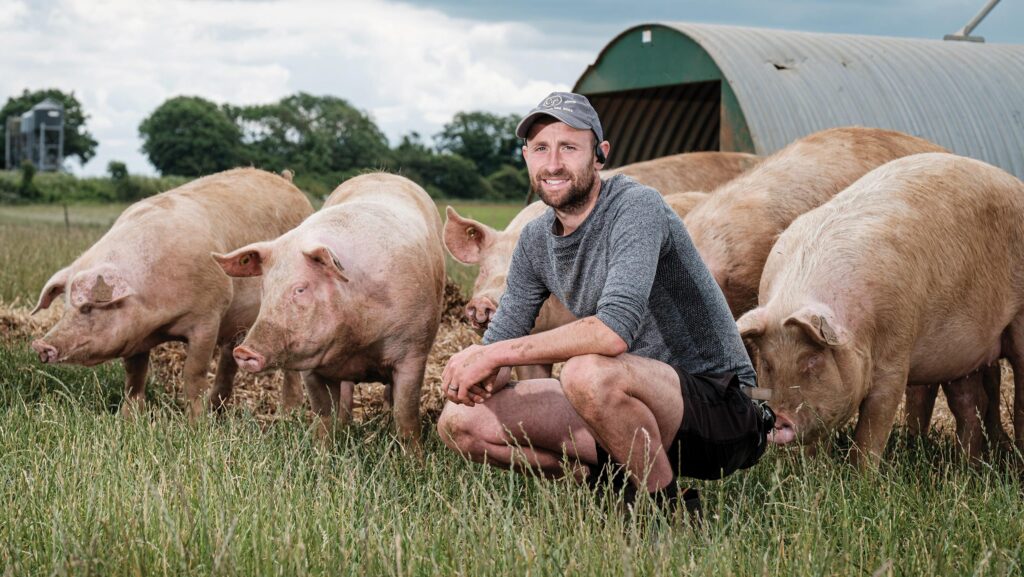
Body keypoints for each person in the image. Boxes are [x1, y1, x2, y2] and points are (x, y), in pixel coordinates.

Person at [437, 91, 773, 519]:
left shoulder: (636, 207)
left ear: (599, 155)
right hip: (623, 408)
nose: (553, 163)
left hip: (720, 406)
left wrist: (492, 353)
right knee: (459, 421)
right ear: (526, 157)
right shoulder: (535, 242)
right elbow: (502, 343)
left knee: (586, 370)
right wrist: (477, 375)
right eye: (541, 148)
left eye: (569, 147)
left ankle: (666, 511)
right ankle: (614, 482)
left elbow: (612, 332)